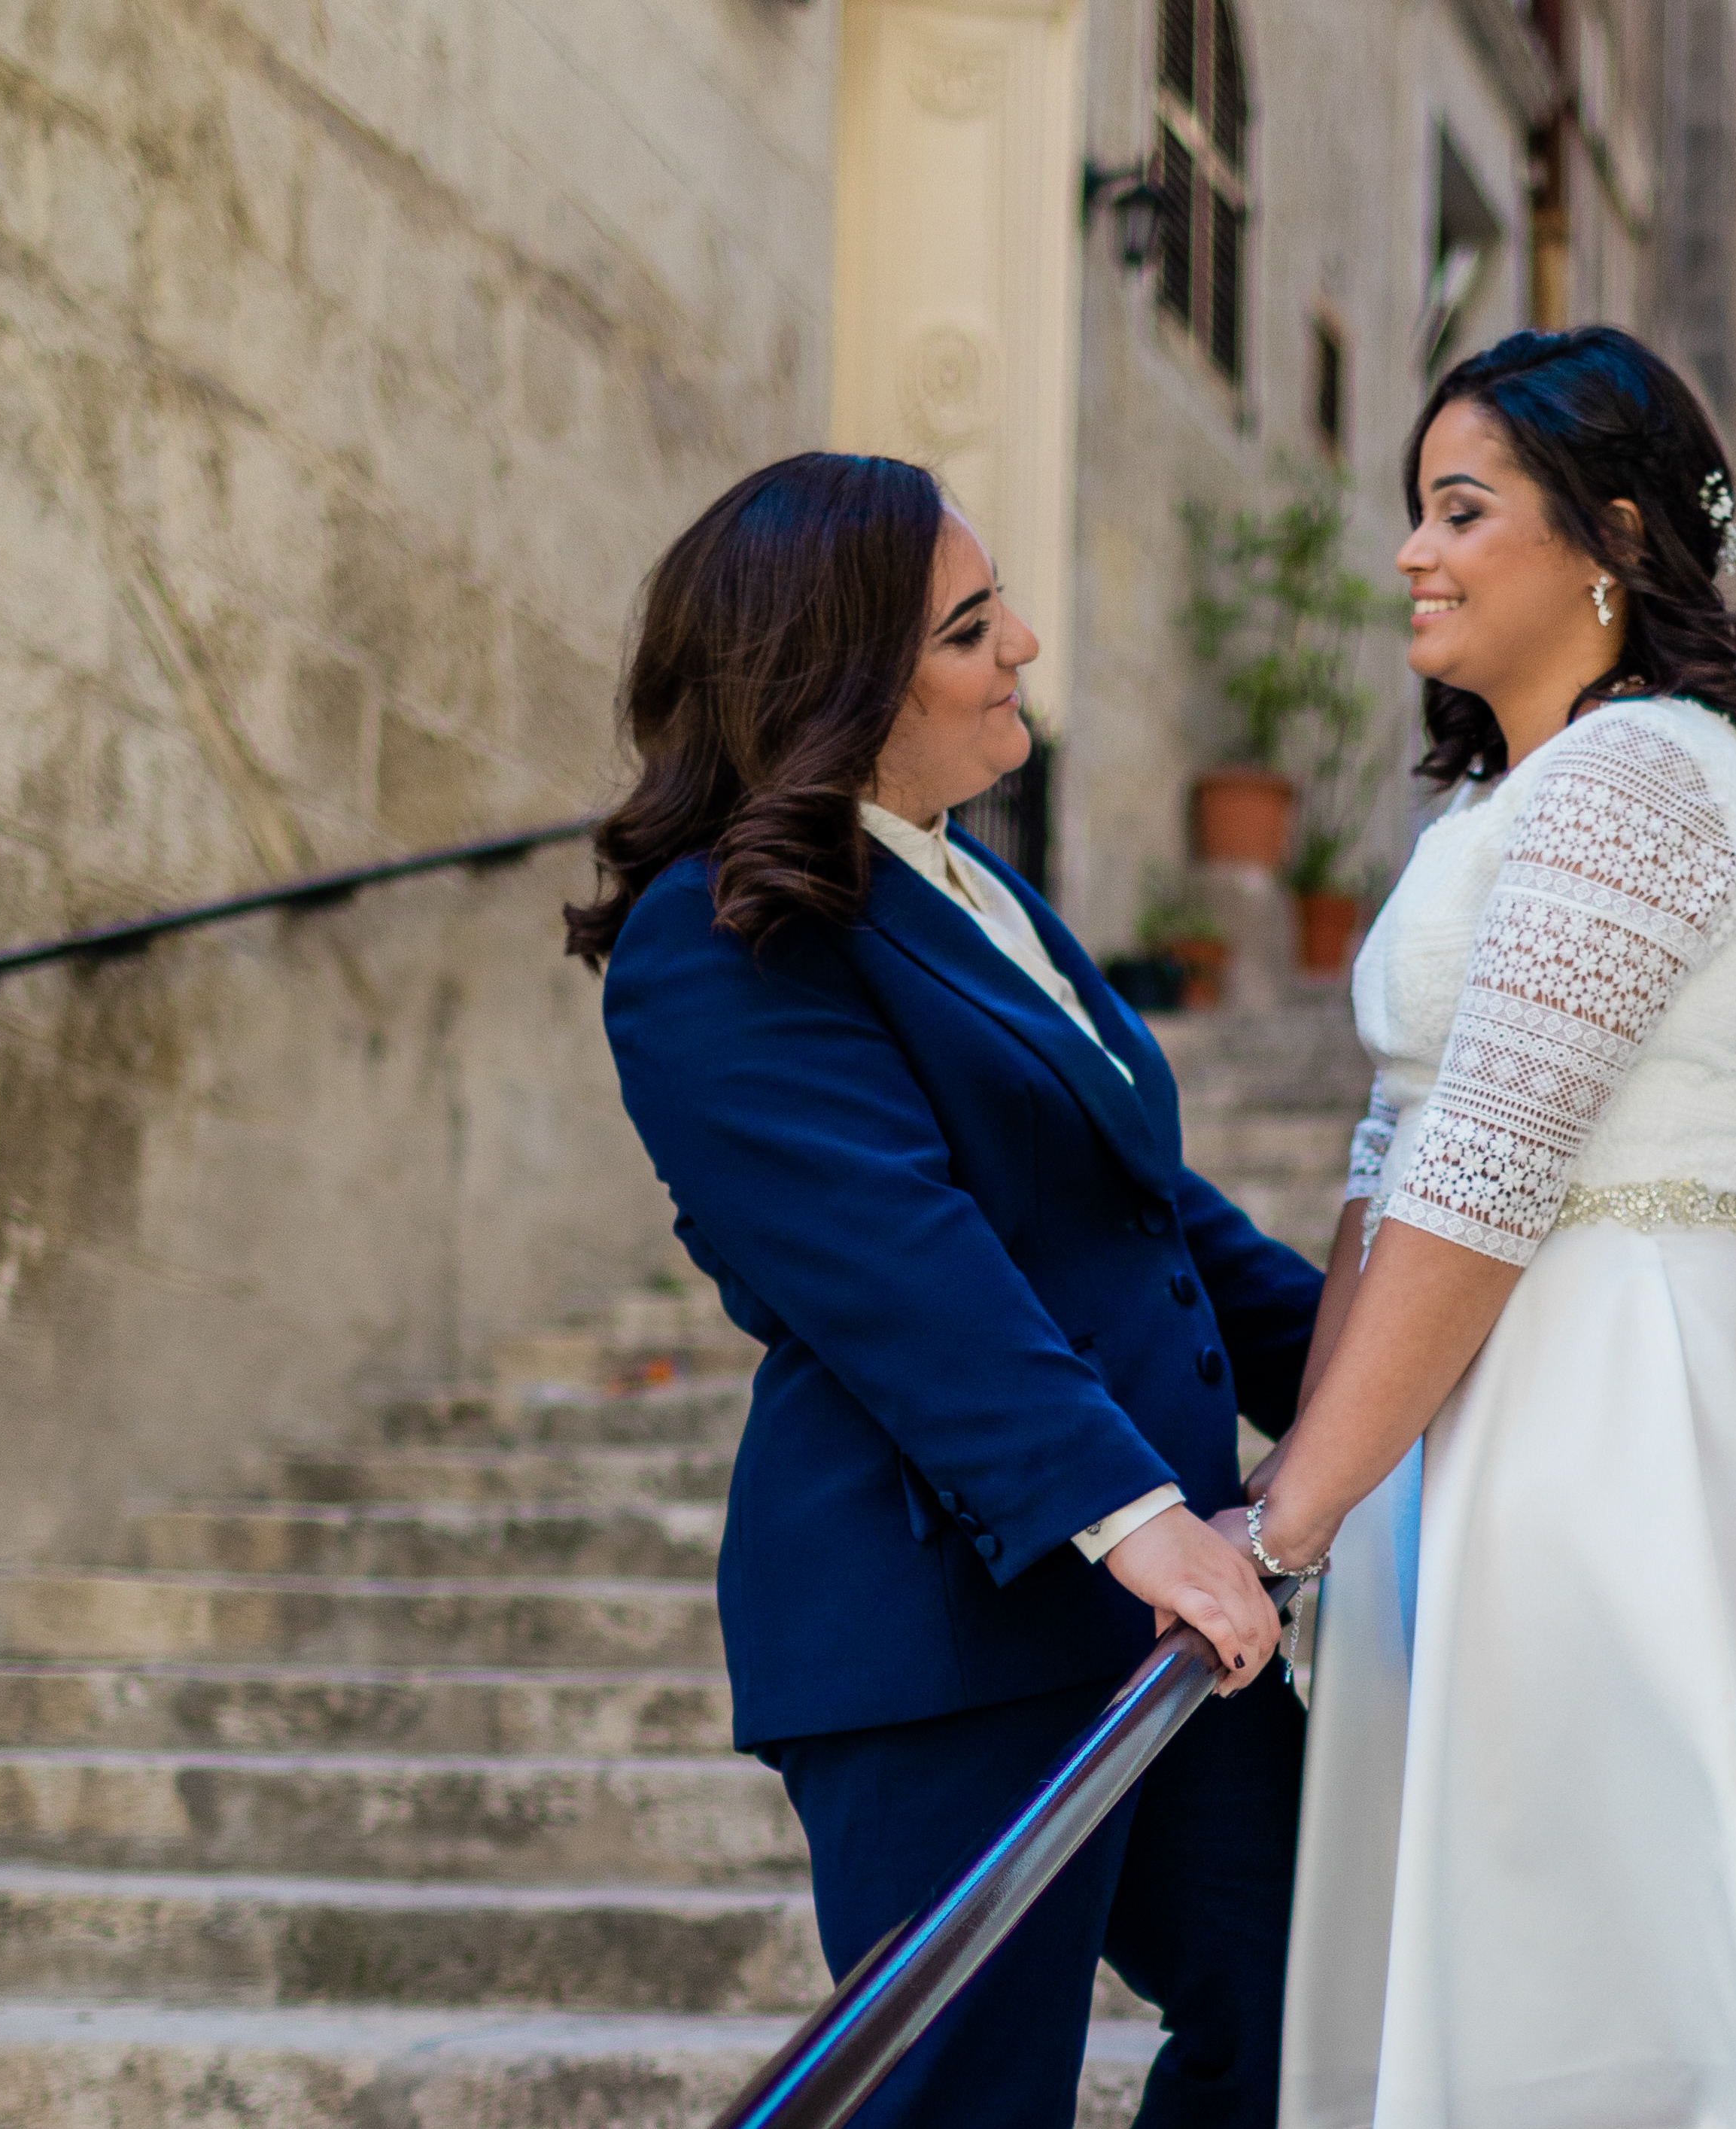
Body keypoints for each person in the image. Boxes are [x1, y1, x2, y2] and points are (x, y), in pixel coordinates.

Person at [1242, 330, 1736, 2129]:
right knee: (1508, 1953)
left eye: (1461, 510)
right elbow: (1395, 1155)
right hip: (1473, 1417)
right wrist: (1328, 1478)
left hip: (1613, 1406)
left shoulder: (1638, 781)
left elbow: (1495, 1161)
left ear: (1608, 537)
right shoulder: (1499, 800)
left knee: (1612, 1953)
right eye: (1412, 511)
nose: (1411, 554)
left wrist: (1282, 1519)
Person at [568, 452, 1326, 2129]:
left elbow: (1147, 1213)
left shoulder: (970, 886)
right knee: (958, 2101)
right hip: (942, 1624)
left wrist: (1380, 1373)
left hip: (1153, 1604)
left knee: (1305, 2009)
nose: (1027, 647)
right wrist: (1138, 1516)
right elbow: (902, 1261)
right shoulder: (716, 934)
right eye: (974, 627)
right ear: (843, 679)